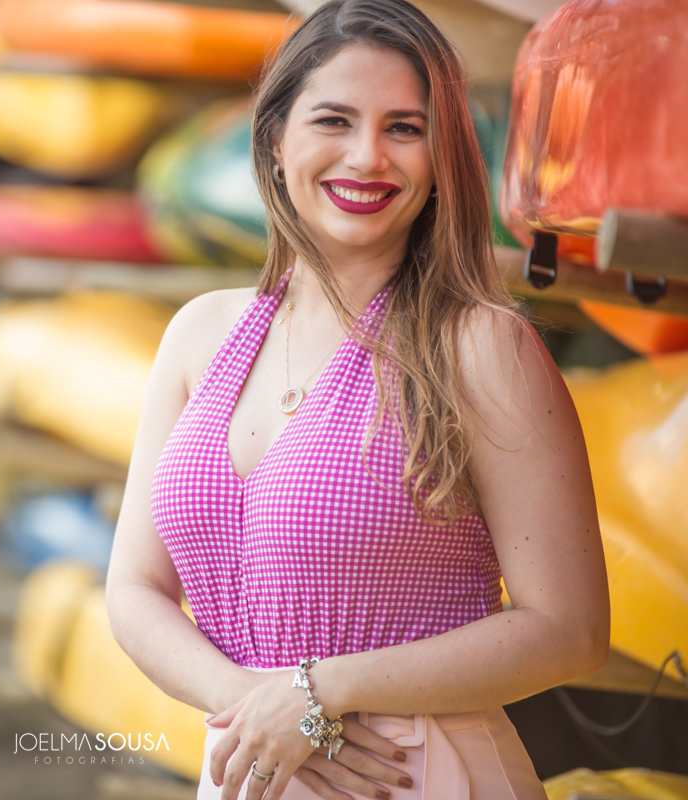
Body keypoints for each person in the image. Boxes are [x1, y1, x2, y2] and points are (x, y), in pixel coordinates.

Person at [103, 1, 611, 799]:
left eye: (405, 128)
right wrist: (258, 705)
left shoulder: (479, 345)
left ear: (442, 158)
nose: (368, 156)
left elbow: (569, 630)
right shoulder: (199, 334)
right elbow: (134, 590)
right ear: (275, 141)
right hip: (250, 761)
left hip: (415, 771)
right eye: (334, 120)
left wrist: (319, 695)